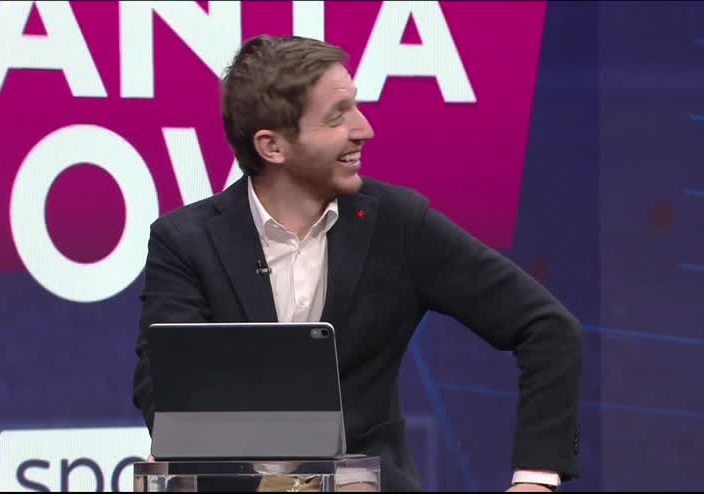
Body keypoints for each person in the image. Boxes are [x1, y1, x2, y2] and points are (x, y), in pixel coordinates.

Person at [133, 35, 583, 492]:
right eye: (337, 117)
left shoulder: (398, 225)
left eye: (356, 107)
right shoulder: (186, 241)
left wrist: (535, 479)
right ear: (272, 147)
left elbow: (547, 328)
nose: (364, 129)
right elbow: (165, 390)